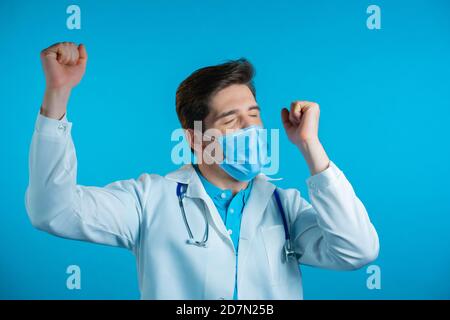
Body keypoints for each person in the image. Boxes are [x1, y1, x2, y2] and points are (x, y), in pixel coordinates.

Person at [25, 41, 379, 299]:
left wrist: (310, 146)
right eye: (231, 119)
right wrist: (57, 93)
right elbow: (52, 211)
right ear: (195, 139)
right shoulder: (149, 200)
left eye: (254, 115)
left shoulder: (284, 207)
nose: (250, 129)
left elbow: (357, 251)